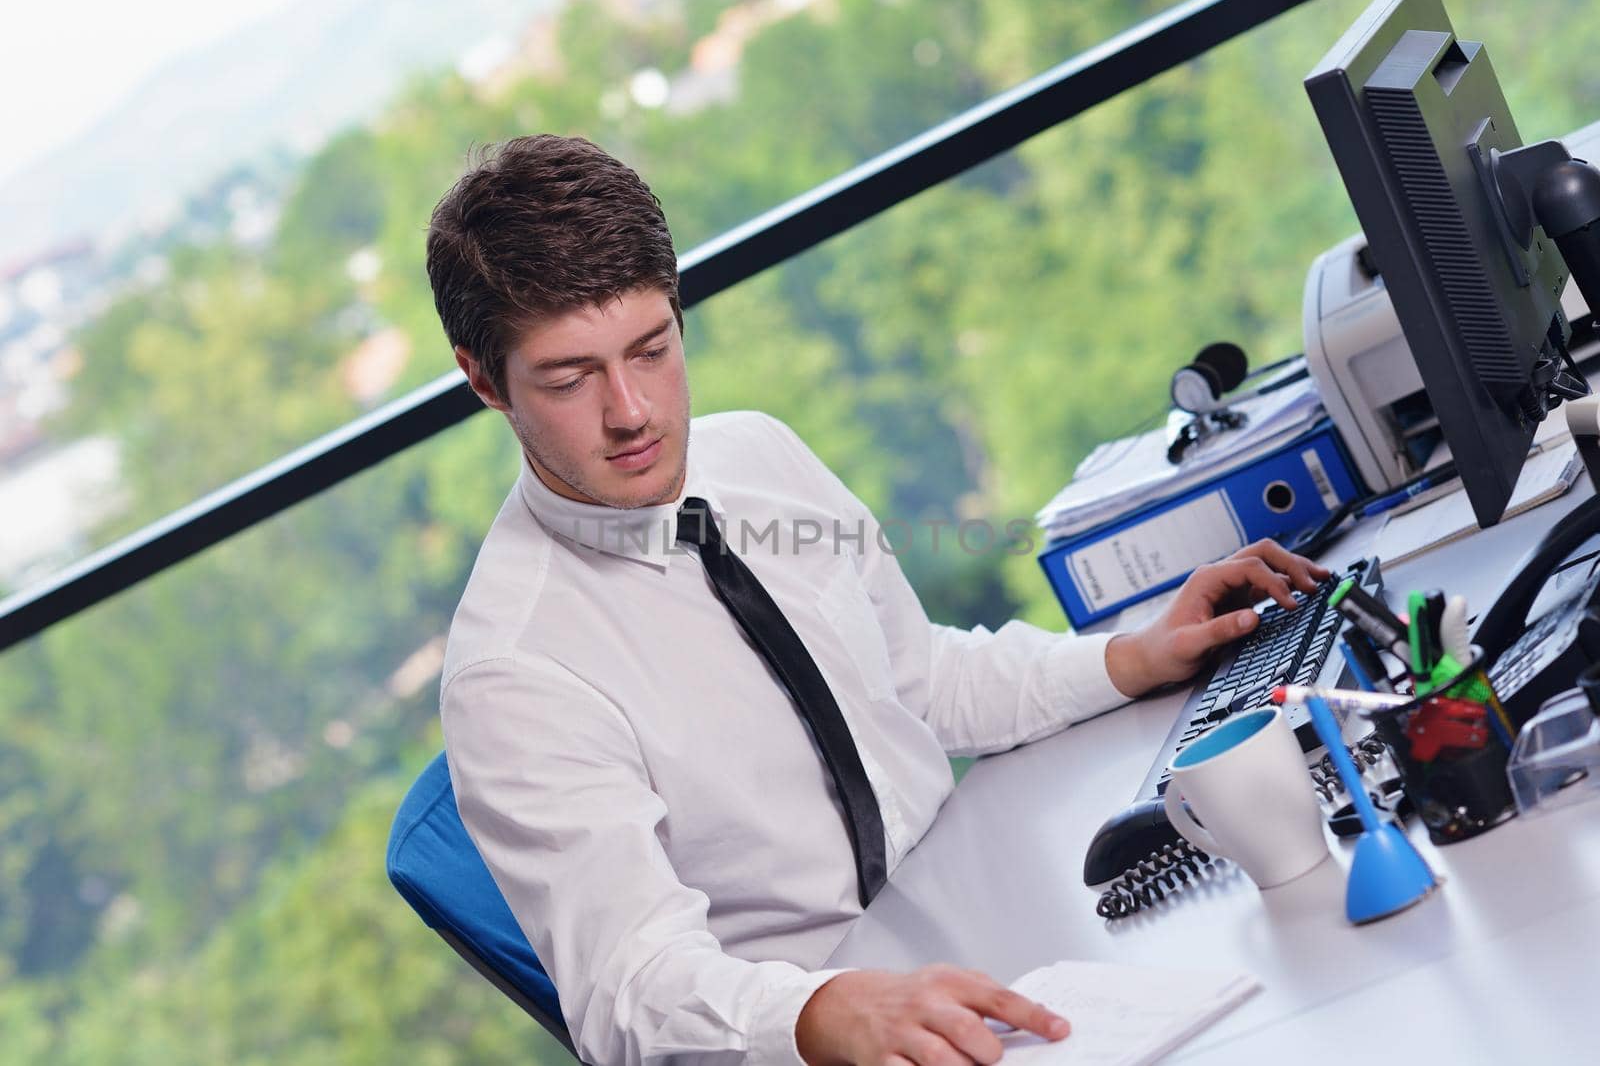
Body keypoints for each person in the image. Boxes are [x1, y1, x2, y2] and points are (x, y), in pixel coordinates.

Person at [427, 134, 1328, 1066]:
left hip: (998, 922)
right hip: (843, 1026)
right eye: (571, 378)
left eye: (652, 350)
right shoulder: (515, 673)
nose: (632, 412)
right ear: (485, 378)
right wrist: (824, 1014)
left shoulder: (759, 457)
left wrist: (1128, 655)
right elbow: (632, 991)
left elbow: (921, 680)